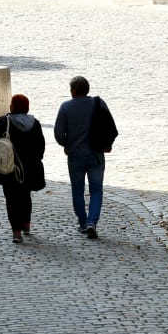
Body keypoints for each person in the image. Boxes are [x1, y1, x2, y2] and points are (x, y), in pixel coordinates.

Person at [0, 94, 47, 243]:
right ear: (27, 107)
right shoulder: (35, 123)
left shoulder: (3, 122)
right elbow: (41, 147)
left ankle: (16, 232)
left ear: (12, 106)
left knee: (12, 199)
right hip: (29, 169)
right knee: (25, 196)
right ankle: (26, 224)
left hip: (9, 168)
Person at [55, 75, 109, 239]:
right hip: (96, 154)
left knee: (77, 190)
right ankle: (92, 222)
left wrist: (67, 144)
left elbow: (58, 133)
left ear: (73, 91)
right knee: (96, 190)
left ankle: (83, 222)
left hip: (75, 155)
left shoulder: (65, 107)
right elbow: (108, 126)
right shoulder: (98, 104)